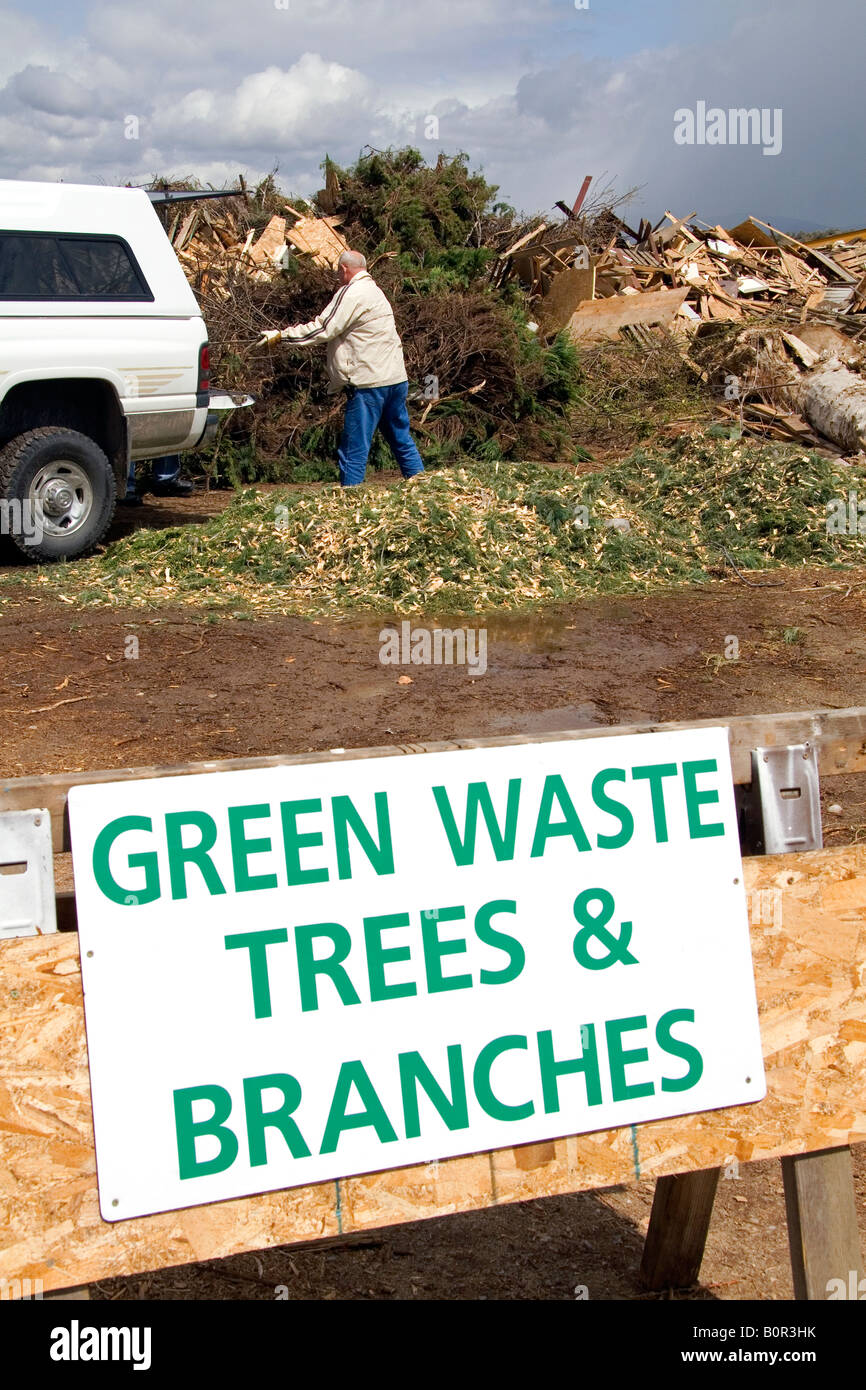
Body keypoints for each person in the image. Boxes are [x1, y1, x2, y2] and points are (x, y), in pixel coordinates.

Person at [258, 250, 425, 487]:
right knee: (401, 439)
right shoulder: (376, 292)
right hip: (395, 380)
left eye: (339, 271)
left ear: (344, 269)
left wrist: (279, 337)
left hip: (369, 384)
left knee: (354, 447)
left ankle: (349, 502)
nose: (338, 276)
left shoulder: (352, 293)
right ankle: (423, 489)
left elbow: (323, 329)